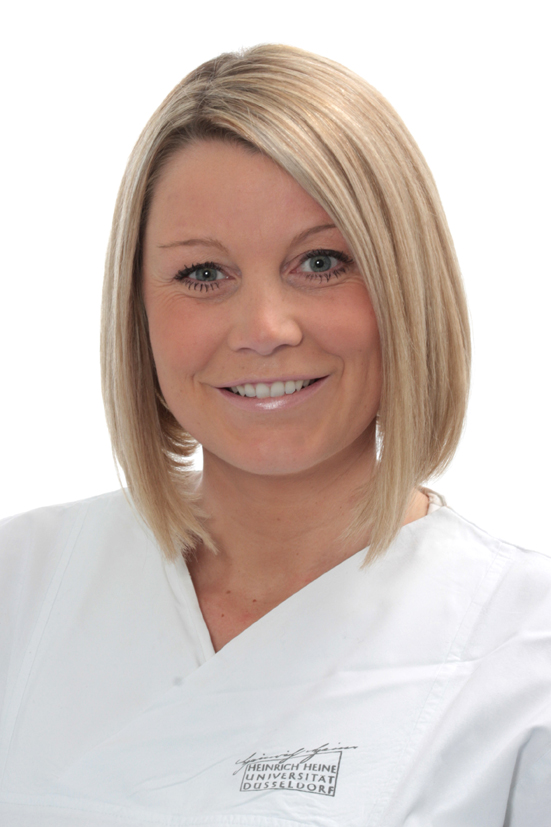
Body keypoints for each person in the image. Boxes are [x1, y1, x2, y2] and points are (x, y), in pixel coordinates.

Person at [0, 44, 549, 827]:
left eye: (320, 262)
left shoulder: (524, 651)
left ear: (405, 285)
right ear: (137, 312)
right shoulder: (21, 587)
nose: (263, 328)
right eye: (203, 274)